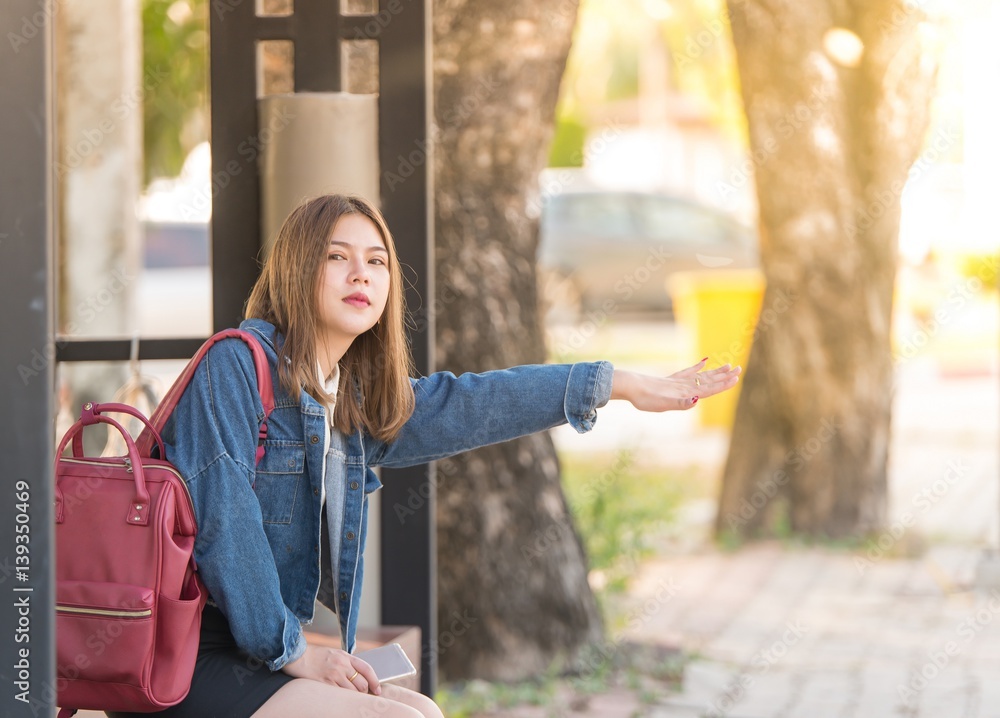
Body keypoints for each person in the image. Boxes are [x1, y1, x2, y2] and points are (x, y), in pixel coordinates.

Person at [111, 194, 740, 718]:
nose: (362, 274)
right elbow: (225, 520)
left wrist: (619, 383)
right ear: (295, 272)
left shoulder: (347, 400)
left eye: (376, 261)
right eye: (337, 257)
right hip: (178, 653)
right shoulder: (237, 365)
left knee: (423, 711)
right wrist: (298, 650)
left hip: (257, 649)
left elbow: (472, 403)